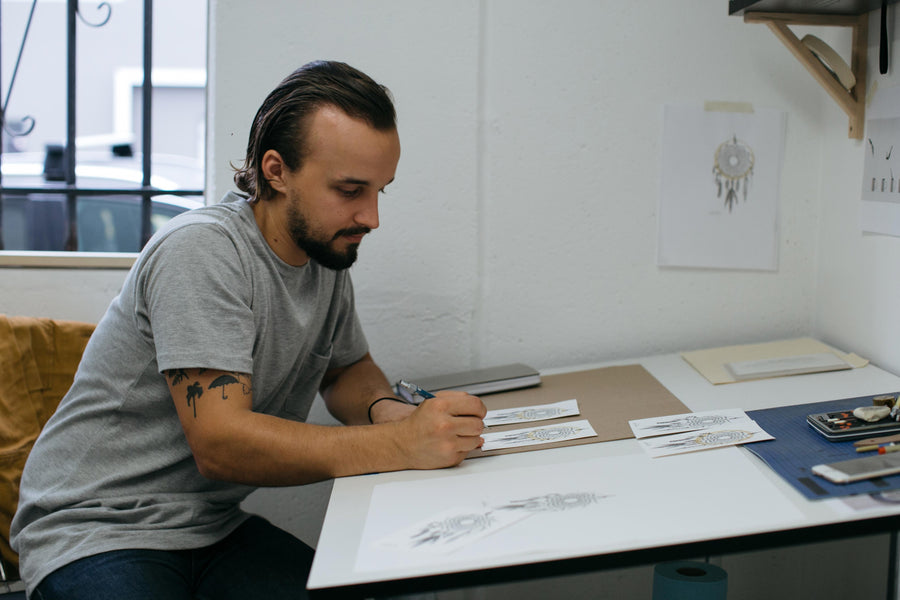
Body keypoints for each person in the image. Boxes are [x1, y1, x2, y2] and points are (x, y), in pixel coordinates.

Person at [10, 60, 487, 600]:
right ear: (277, 171)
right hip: (98, 530)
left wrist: (393, 411)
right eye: (351, 190)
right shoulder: (203, 252)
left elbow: (347, 369)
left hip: (210, 529)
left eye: (381, 190)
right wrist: (398, 444)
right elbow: (222, 445)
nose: (371, 217)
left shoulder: (324, 253)